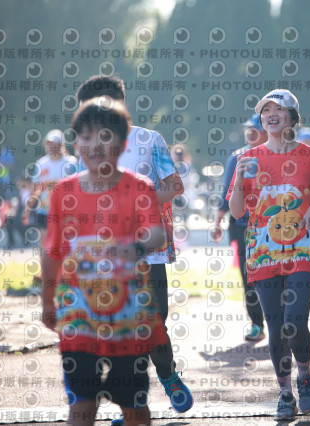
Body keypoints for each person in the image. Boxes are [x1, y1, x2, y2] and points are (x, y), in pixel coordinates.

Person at [42, 99, 166, 426]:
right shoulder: (63, 192)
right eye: (86, 137)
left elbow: (157, 234)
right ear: (75, 144)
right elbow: (52, 251)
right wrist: (47, 301)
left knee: (133, 405)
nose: (95, 145)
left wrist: (134, 246)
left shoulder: (139, 188)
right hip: (78, 314)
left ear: (122, 145)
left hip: (129, 317)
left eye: (105, 136)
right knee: (82, 403)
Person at [75, 75, 192, 414]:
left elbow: (174, 185)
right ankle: (133, 405)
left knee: (154, 323)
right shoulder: (86, 147)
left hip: (148, 249)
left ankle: (168, 375)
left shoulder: (149, 139)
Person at [228, 89, 310, 421]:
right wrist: (239, 179)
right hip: (263, 252)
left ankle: (304, 377)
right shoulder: (248, 158)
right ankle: (285, 393)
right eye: (266, 110)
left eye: (279, 109)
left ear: (292, 117)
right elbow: (236, 211)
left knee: (294, 322)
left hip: (303, 249)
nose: (271, 114)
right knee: (276, 327)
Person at [212, 113, 268, 341]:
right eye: (248, 129)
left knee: (274, 275)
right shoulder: (237, 158)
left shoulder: (277, 156)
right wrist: (217, 223)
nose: (250, 133)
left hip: (271, 228)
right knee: (249, 278)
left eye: (255, 129)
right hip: (242, 226)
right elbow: (226, 194)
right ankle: (257, 324)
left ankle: (280, 323)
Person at [22, 129, 77, 284]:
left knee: (66, 243)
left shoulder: (71, 164)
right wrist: (27, 210)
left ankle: (66, 274)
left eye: (55, 144)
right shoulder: (41, 164)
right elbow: (36, 190)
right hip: (44, 210)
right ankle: (45, 274)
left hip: (66, 212)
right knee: (44, 242)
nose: (52, 147)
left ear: (62, 145)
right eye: (49, 144)